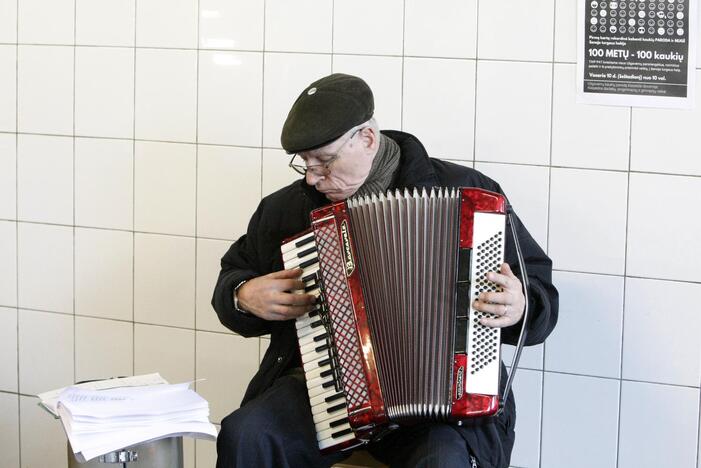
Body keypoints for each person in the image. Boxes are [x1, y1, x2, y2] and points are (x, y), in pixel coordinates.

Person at [212, 73, 558, 468]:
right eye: (304, 163)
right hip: (327, 390)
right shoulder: (287, 210)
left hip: (444, 402)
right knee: (248, 432)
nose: (311, 176)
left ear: (367, 139)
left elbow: (541, 295)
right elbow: (233, 276)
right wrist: (243, 295)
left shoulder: (469, 195)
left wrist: (520, 305)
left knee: (445, 459)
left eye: (324, 161)